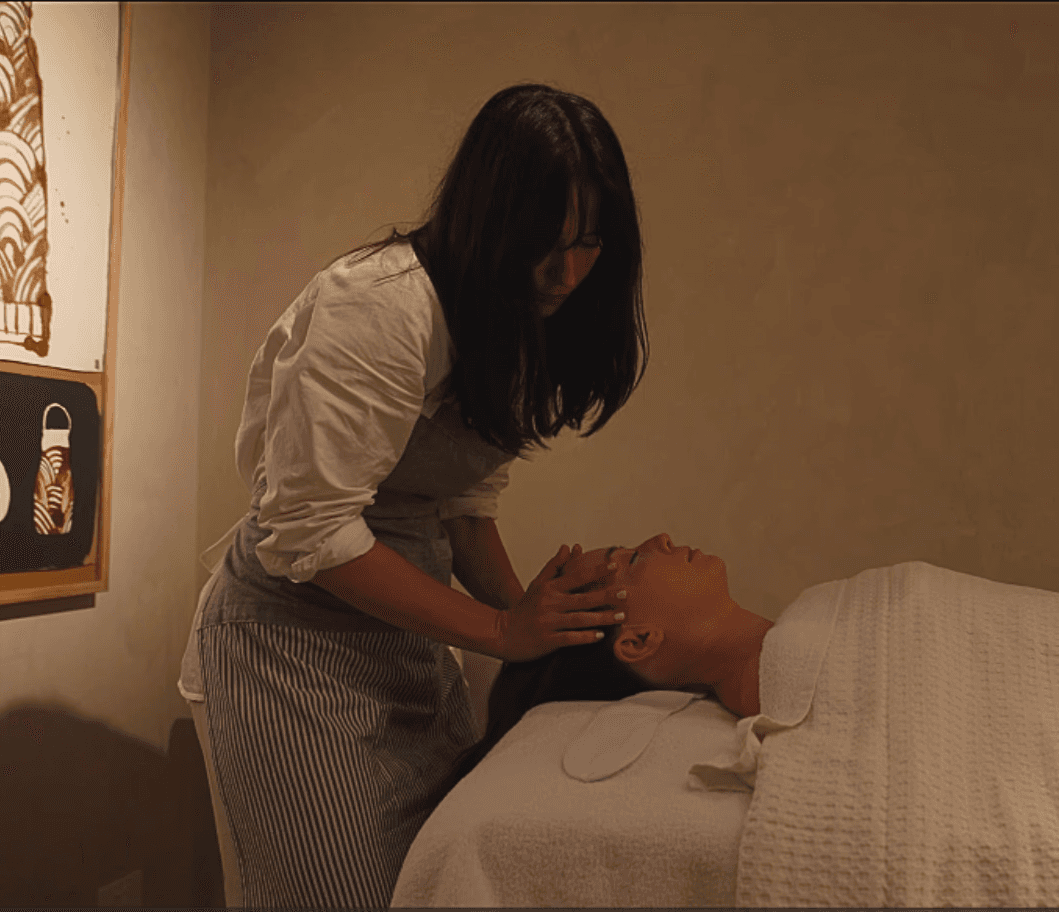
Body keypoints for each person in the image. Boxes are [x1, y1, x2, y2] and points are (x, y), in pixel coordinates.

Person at [177, 83, 648, 908]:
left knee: (431, 886)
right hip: (294, 645)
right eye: (549, 242)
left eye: (591, 243)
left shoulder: (514, 319)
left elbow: (463, 504)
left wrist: (540, 618)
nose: (570, 273)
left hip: (408, 634)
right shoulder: (379, 309)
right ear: (493, 220)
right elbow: (311, 533)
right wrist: (507, 628)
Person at [447, 532, 759, 784]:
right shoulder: (770, 684)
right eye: (634, 560)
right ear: (639, 641)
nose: (661, 539)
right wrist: (505, 629)